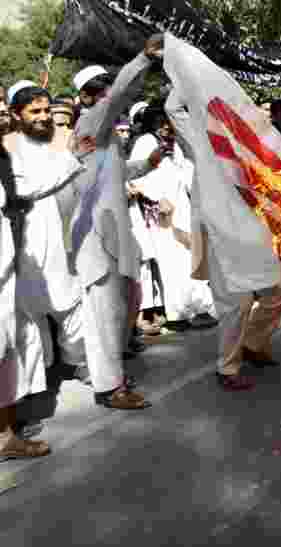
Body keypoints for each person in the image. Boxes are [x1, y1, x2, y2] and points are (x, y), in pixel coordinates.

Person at [163, 39, 281, 393]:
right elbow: (173, 109)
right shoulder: (203, 140)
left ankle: (253, 342)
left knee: (280, 291)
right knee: (234, 303)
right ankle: (228, 368)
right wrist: (185, 70)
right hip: (221, 234)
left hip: (256, 236)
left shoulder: (259, 151)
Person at [70, 46, 170, 408]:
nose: (108, 98)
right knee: (104, 316)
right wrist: (144, 58)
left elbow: (117, 174)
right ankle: (111, 388)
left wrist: (147, 163)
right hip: (97, 239)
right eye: (101, 91)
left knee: (116, 312)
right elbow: (122, 93)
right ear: (86, 97)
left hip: (112, 235)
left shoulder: (104, 135)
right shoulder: (92, 121)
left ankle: (112, 380)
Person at [0, 85, 97, 459]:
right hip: (21, 248)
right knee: (24, 325)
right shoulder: (9, 148)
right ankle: (24, 404)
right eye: (34, 112)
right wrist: (70, 161)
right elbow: (25, 191)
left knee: (66, 305)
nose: (42, 118)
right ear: (17, 114)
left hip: (52, 242)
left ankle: (73, 366)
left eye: (45, 111)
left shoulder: (52, 144)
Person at [128, 106, 217, 331]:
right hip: (160, 213)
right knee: (172, 261)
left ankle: (200, 308)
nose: (166, 126)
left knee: (191, 257)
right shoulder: (145, 143)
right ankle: (179, 314)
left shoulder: (175, 144)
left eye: (168, 121)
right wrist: (157, 198)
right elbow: (137, 178)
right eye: (161, 122)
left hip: (183, 207)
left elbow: (186, 174)